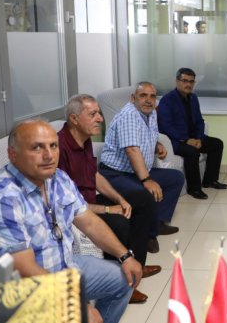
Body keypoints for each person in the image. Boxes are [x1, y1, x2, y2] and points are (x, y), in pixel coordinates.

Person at [0, 120, 143, 323]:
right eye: (37, 147)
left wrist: (125, 256)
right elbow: (23, 268)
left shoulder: (58, 178)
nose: (49, 155)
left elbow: (90, 223)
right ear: (13, 154)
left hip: (65, 266)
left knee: (124, 278)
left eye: (53, 146)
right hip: (23, 288)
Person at [58, 94, 162, 304]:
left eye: (99, 113)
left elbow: (94, 176)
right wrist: (108, 210)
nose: (100, 119)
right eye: (93, 114)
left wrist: (118, 199)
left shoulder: (84, 139)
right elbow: (67, 204)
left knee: (142, 199)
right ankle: (122, 284)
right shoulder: (59, 148)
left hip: (90, 201)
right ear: (74, 119)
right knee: (119, 222)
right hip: (75, 212)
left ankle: (137, 264)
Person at [99, 82, 184, 246]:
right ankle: (148, 235)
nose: (148, 100)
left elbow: (146, 136)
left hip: (135, 172)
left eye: (152, 96)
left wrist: (156, 145)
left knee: (176, 178)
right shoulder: (129, 116)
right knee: (144, 192)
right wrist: (147, 180)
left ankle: (158, 223)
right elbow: (131, 149)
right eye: (143, 95)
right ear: (133, 98)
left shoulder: (151, 114)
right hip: (115, 173)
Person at [158, 68, 227, 200]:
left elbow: (200, 121)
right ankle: (194, 189)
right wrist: (186, 140)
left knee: (217, 144)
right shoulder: (167, 100)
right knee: (192, 152)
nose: (188, 84)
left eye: (191, 81)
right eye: (185, 81)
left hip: (194, 138)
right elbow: (165, 127)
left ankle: (210, 180)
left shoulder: (193, 98)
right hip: (176, 141)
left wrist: (199, 138)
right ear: (177, 81)